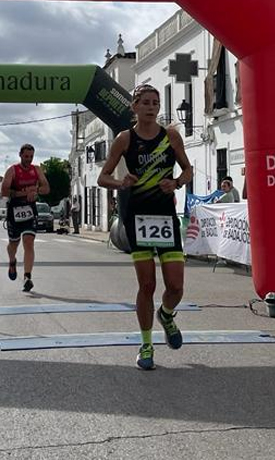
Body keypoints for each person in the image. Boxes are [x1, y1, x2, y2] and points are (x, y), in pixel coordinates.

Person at [98, 83, 193, 371]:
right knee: (147, 285)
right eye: (146, 102)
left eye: (155, 103)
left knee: (176, 286)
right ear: (135, 106)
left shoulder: (171, 137)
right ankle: (146, 343)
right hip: (138, 217)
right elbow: (103, 177)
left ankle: (166, 314)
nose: (152, 107)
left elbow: (188, 170)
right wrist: (121, 182)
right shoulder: (125, 139)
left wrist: (176, 182)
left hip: (165, 217)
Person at [1, 143, 50, 292]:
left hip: (30, 210)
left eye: (31, 157)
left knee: (29, 243)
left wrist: (36, 191)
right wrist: (23, 193)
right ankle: (12, 261)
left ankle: (27, 277)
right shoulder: (12, 171)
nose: (29, 160)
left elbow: (46, 188)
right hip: (15, 210)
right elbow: (4, 191)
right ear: (20, 155)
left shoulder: (36, 170)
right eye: (26, 156)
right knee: (13, 245)